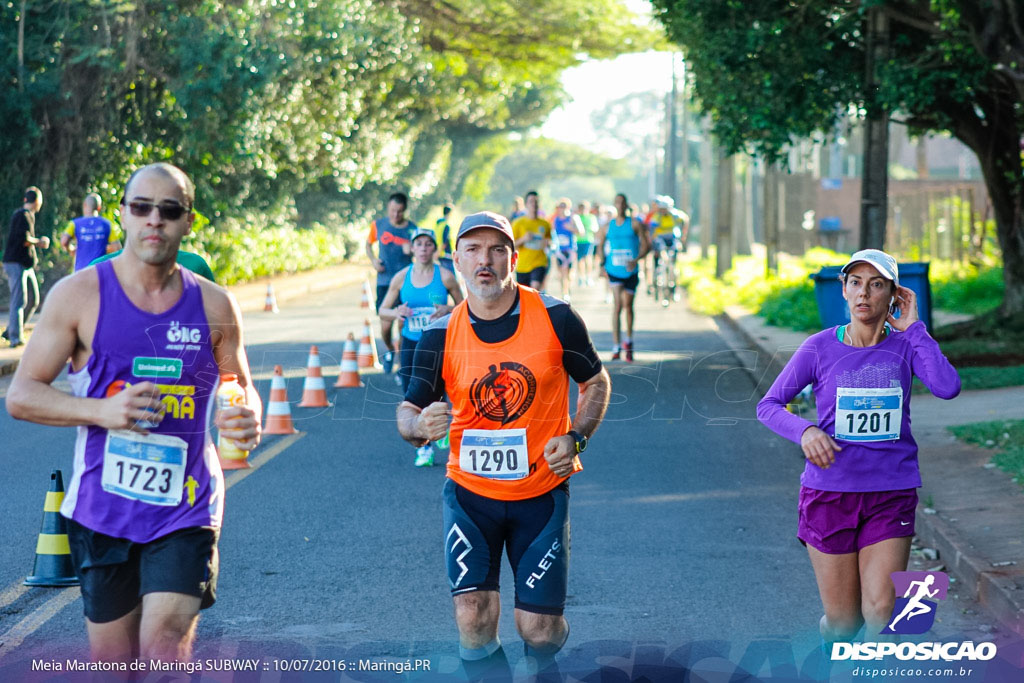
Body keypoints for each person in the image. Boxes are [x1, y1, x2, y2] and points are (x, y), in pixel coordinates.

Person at [5, 163, 262, 664]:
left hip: (187, 506)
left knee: (165, 644)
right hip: (103, 510)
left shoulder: (213, 304)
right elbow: (22, 394)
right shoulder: (78, 295)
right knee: (115, 666)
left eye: (169, 211)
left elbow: (242, 388)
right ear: (122, 214)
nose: (154, 220)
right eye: (141, 207)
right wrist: (103, 410)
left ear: (188, 221)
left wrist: (245, 417)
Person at [396, 211, 611, 680]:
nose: (484, 261)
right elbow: (408, 413)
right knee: (472, 618)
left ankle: (547, 652)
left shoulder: (556, 317)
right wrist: (420, 426)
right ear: (457, 261)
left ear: (513, 258)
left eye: (496, 250)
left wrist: (577, 436)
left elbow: (595, 382)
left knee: (539, 630)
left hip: (541, 493)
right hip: (471, 496)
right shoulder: (438, 332)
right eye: (472, 250)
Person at [756, 249, 960, 646]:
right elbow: (769, 405)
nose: (864, 293)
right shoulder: (818, 347)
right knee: (844, 624)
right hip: (829, 494)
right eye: (856, 283)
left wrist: (915, 328)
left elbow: (947, 388)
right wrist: (805, 431)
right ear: (844, 291)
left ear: (894, 295)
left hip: (891, 492)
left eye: (877, 284)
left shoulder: (905, 345)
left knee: (882, 609)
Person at [378, 227, 462, 467]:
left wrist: (449, 310)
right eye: (419, 244)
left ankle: (434, 436)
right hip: (411, 342)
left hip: (437, 344)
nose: (423, 249)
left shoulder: (445, 276)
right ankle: (424, 444)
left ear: (434, 248)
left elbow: (467, 306)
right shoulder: (401, 277)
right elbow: (382, 310)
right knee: (411, 396)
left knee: (436, 393)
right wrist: (396, 312)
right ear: (412, 248)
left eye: (428, 244)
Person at [597, 193, 651, 362]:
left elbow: (647, 244)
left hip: (630, 271)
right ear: (614, 205)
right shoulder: (608, 226)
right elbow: (599, 245)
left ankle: (629, 342)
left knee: (628, 306)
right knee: (617, 306)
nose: (620, 205)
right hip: (614, 270)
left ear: (627, 205)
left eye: (622, 203)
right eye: (617, 203)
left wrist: (636, 260)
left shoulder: (635, 224)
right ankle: (616, 346)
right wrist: (601, 264)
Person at [366, 191, 415, 374]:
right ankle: (390, 349)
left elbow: (422, 251)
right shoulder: (378, 225)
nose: (396, 215)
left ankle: (402, 361)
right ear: (388, 208)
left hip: (405, 282)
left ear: (405, 211)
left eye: (400, 212)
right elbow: (367, 244)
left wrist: (411, 251)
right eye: (393, 210)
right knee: (385, 323)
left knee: (403, 324)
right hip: (385, 281)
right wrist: (373, 261)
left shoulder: (412, 229)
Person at [3, 187, 50, 348]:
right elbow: (24, 239)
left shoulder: (28, 215)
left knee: (33, 299)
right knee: (19, 301)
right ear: (37, 202)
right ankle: (15, 338)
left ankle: (12, 330)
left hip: (25, 264)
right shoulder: (22, 216)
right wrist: (40, 242)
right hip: (15, 263)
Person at [61, 193, 121, 272]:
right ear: (99, 208)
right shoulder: (107, 224)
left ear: (84, 205)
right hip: (100, 272)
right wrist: (104, 248)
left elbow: (64, 242)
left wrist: (71, 249)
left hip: (80, 271)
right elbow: (117, 249)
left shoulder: (75, 224)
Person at [646, 196, 689, 304]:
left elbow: (685, 220)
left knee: (673, 265)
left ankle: (673, 287)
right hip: (660, 239)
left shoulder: (675, 215)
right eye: (661, 209)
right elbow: (651, 229)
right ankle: (658, 277)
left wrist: (684, 235)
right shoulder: (657, 216)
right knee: (660, 249)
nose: (663, 211)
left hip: (672, 239)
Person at [511, 191, 551, 291]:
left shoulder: (545, 224)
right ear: (526, 204)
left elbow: (549, 242)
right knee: (524, 295)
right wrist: (523, 239)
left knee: (534, 289)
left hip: (539, 262)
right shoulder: (518, 223)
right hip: (522, 265)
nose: (534, 204)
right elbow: (511, 246)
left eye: (536, 201)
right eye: (531, 201)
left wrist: (548, 243)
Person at [550, 198, 580, 301]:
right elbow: (552, 233)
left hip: (570, 249)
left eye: (563, 206)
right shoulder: (556, 219)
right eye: (560, 206)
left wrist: (571, 228)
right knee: (561, 272)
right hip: (559, 250)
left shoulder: (572, 218)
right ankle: (564, 292)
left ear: (568, 207)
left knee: (569, 273)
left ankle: (568, 288)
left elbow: (581, 231)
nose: (561, 208)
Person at [575, 201, 598, 286]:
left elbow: (594, 228)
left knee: (588, 258)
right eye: (581, 208)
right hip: (578, 241)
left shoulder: (591, 217)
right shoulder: (577, 217)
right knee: (580, 260)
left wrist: (586, 228)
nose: (582, 210)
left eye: (584, 208)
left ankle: (589, 276)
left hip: (588, 240)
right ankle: (581, 277)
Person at [434, 203, 457, 273]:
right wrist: (437, 253)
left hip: (439, 253)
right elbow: (444, 241)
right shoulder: (446, 226)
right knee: (451, 276)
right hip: (446, 254)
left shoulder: (438, 224)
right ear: (450, 213)